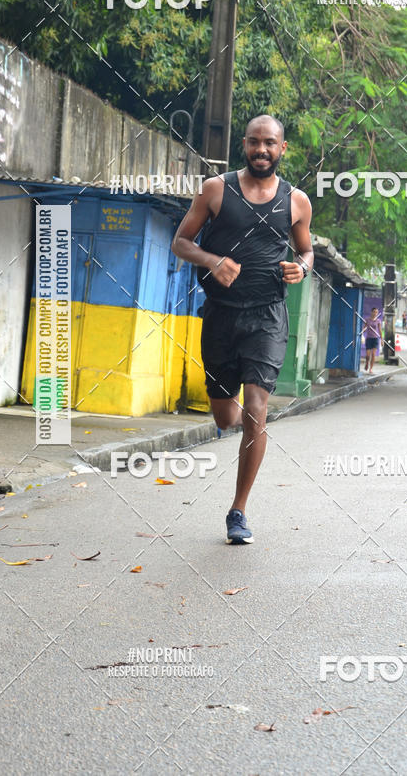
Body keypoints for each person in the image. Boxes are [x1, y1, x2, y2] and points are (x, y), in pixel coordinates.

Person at [171, 115, 313, 545]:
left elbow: (307, 250)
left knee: (256, 409)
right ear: (245, 145)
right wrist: (212, 260)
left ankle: (238, 511)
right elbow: (181, 241)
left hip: (267, 317)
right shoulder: (216, 190)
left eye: (270, 143)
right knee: (225, 415)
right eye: (254, 143)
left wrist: (300, 268)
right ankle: (225, 398)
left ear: (282, 148)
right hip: (220, 315)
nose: (261, 150)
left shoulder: (297, 201)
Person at [363, 307, 382, 373]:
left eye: (376, 312)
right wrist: (362, 331)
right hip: (369, 338)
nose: (375, 313)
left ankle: (371, 369)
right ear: (371, 312)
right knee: (368, 355)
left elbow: (380, 330)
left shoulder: (378, 321)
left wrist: (382, 339)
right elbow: (364, 328)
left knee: (373, 354)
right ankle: (367, 362)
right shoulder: (367, 320)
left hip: (376, 339)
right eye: (374, 312)